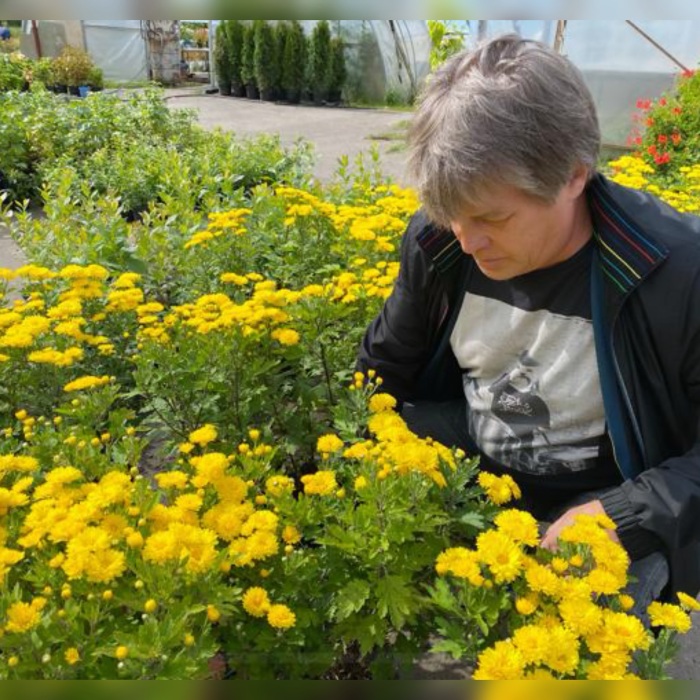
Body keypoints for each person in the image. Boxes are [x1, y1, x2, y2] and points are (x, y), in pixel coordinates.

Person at [357, 33, 700, 614]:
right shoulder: (440, 241)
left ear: (573, 175)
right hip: (477, 451)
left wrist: (623, 515)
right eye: (453, 215)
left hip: (611, 487)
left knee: (593, 603)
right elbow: (382, 371)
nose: (468, 241)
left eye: (492, 216)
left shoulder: (675, 270)